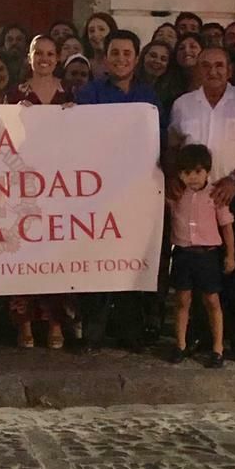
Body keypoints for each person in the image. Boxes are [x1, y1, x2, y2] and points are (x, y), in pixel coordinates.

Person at [167, 44, 235, 361]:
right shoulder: (184, 104)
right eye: (206, 65)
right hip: (194, 195)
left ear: (230, 69)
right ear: (197, 69)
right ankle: (200, 337)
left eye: (219, 65)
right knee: (198, 271)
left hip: (234, 193)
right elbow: (173, 145)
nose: (213, 71)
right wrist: (174, 176)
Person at [75, 30, 162, 351]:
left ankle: (131, 331)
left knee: (131, 261)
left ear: (136, 58)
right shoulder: (89, 93)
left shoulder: (148, 96)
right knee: (98, 261)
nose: (121, 59)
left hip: (136, 192)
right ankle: (93, 333)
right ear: (105, 57)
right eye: (115, 53)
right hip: (97, 191)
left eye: (127, 53)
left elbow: (158, 139)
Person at [7, 36, 75, 348]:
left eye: (50, 53)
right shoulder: (15, 94)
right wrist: (14, 115)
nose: (44, 59)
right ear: (29, 57)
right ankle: (24, 325)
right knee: (23, 253)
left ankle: (56, 324)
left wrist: (78, 117)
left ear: (58, 57)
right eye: (39, 53)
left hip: (60, 187)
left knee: (56, 254)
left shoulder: (71, 93)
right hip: (24, 187)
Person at [164, 142, 235, 367]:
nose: (192, 177)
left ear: (207, 171)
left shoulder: (214, 195)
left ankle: (217, 348)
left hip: (208, 255)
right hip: (183, 253)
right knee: (182, 299)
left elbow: (226, 225)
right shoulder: (175, 195)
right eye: (186, 173)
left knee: (212, 300)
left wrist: (230, 255)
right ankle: (181, 344)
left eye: (197, 172)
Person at [82, 12, 118, 77]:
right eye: (91, 31)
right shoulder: (83, 64)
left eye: (101, 29)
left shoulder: (120, 64)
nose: (96, 35)